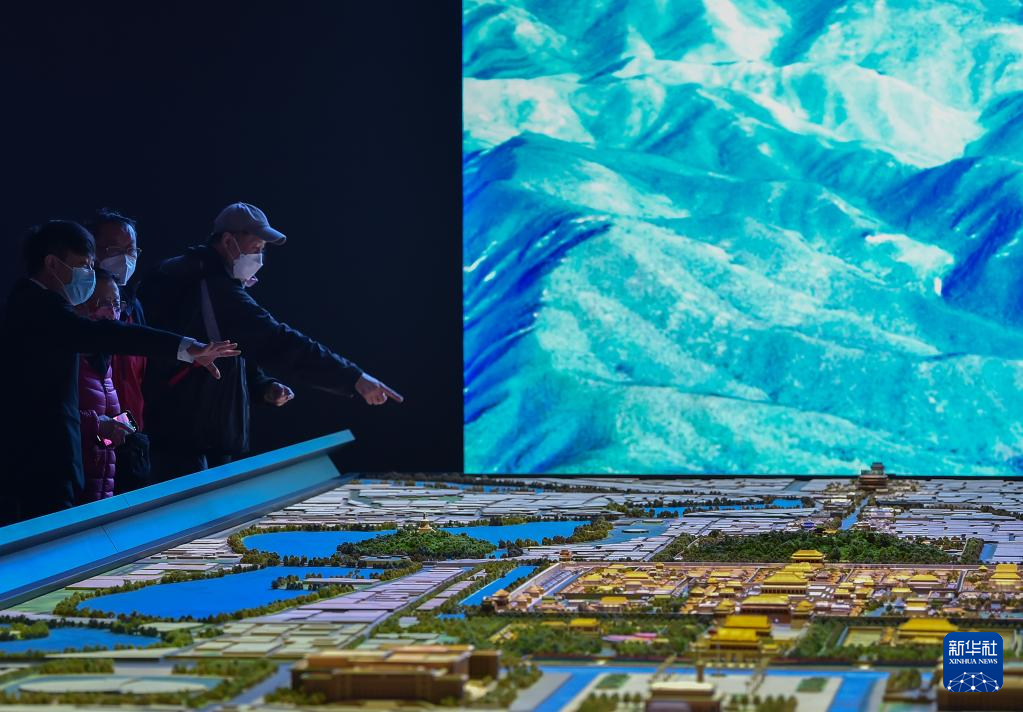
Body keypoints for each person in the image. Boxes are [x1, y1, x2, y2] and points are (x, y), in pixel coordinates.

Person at [139, 202, 403, 481]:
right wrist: (353, 378)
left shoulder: (205, 276)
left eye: (262, 250)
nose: (259, 257)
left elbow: (232, 348)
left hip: (202, 437)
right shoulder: (206, 282)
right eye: (255, 247)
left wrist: (261, 386)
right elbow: (278, 341)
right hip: (182, 441)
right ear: (228, 241)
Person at [1, 220, 239, 523]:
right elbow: (104, 335)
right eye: (83, 266)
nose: (88, 275)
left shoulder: (42, 309)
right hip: (39, 469)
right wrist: (185, 347)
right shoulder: (38, 308)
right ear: (52, 264)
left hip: (65, 469)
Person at [84, 209, 148, 430]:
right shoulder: (80, 307)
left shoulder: (133, 306)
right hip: (93, 430)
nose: (125, 258)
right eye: (114, 250)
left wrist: (129, 431)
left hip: (127, 429)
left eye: (131, 250)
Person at [75, 269, 130, 503]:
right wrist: (97, 425)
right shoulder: (67, 359)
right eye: (102, 303)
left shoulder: (104, 361)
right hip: (70, 494)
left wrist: (119, 429)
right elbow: (45, 419)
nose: (111, 312)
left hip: (101, 491)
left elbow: (101, 439)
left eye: (116, 304)